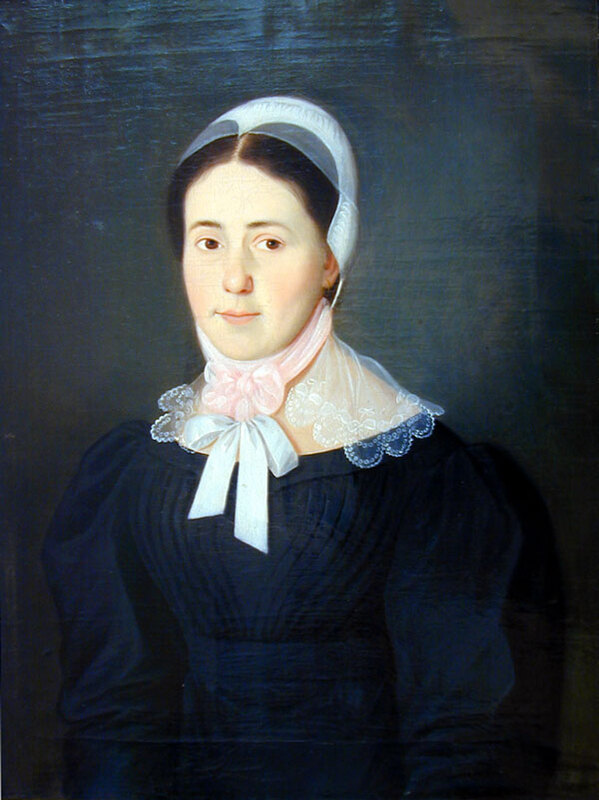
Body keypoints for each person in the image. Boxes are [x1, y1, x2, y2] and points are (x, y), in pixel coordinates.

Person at [44, 96, 543, 799]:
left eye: (269, 242)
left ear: (331, 259)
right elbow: (113, 718)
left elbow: (459, 740)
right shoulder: (135, 467)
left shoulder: (424, 472)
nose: (234, 278)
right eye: (208, 242)